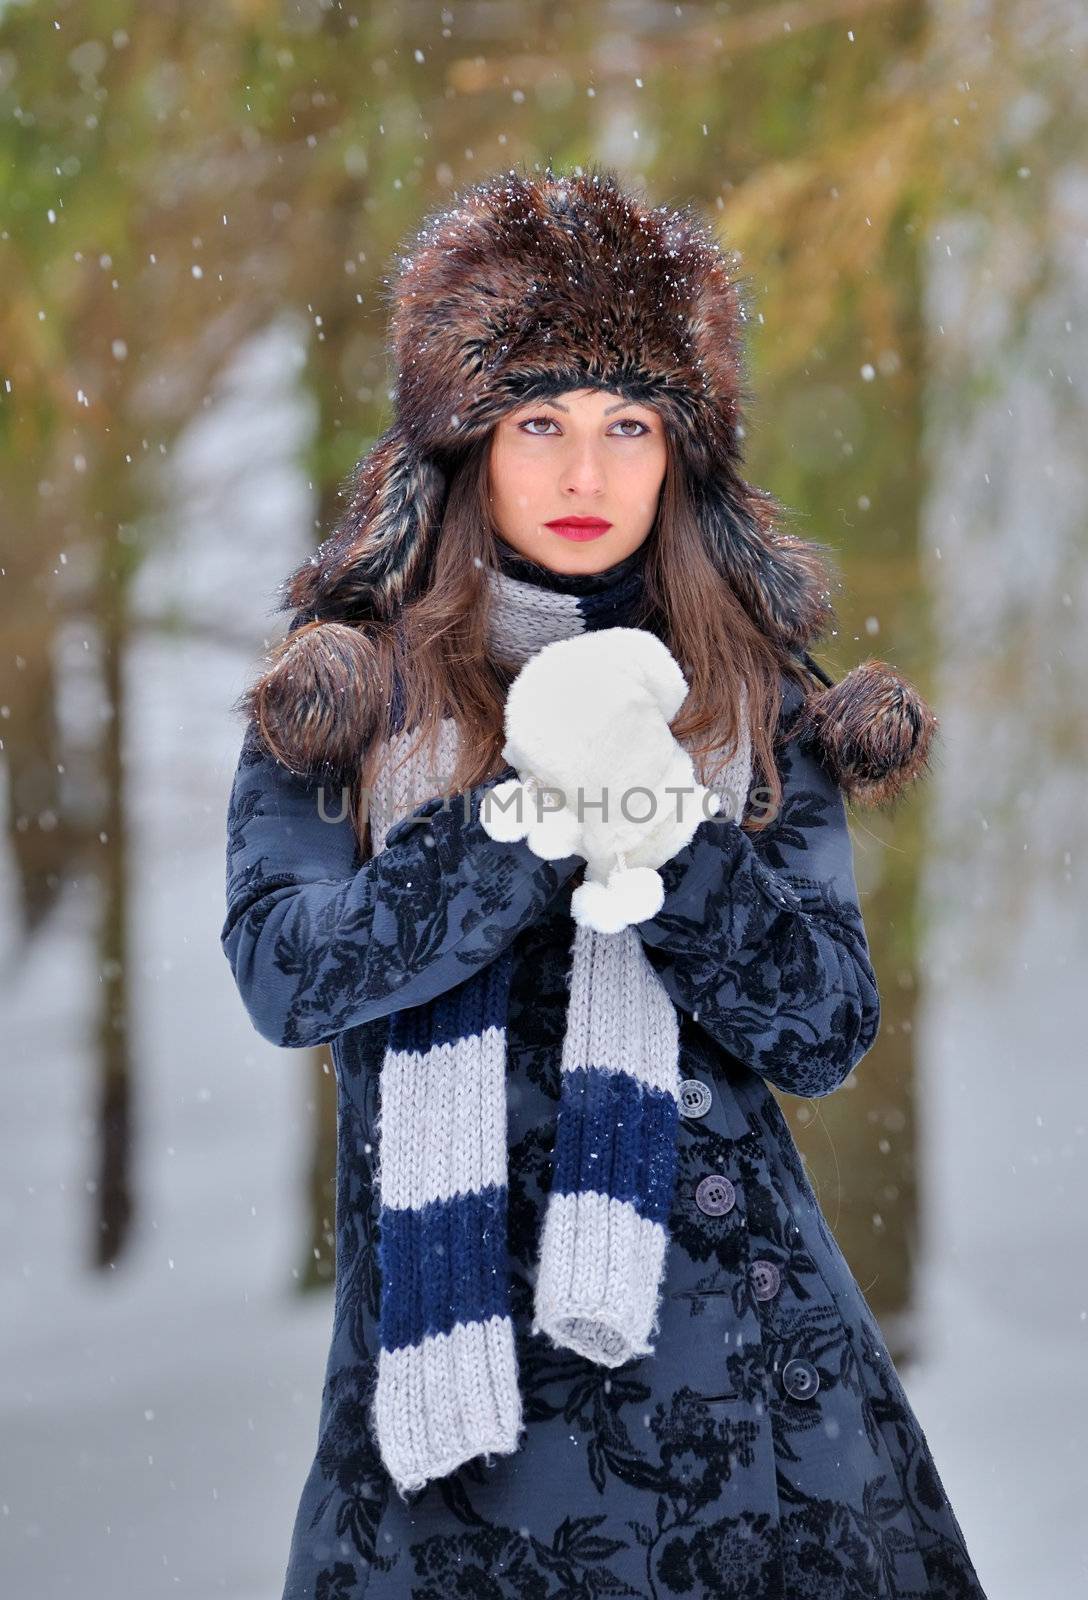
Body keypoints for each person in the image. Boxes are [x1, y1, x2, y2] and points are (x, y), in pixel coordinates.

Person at [221, 165, 989, 1599]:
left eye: (631, 424)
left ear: (680, 453)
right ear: (467, 444)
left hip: (748, 1424)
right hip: (456, 1435)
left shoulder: (755, 701)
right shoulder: (344, 700)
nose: (587, 473)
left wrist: (663, 829)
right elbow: (289, 970)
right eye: (540, 422)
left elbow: (822, 1024)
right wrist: (524, 819)